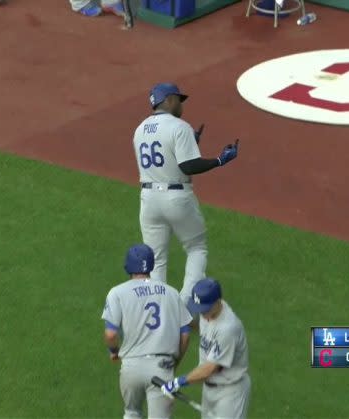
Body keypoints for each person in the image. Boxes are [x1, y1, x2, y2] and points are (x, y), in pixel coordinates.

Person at [132, 82, 240, 307]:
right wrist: (219, 160)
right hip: (176, 198)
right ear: (169, 100)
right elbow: (189, 166)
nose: (181, 105)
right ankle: (184, 304)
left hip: (148, 200)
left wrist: (191, 144)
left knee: (156, 258)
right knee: (196, 247)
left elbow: (164, 157)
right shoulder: (179, 127)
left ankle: (159, 308)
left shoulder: (139, 129)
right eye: (178, 100)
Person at [102, 244, 194, 419]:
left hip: (131, 368)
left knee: (131, 413)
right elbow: (185, 334)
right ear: (151, 265)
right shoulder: (172, 293)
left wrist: (114, 351)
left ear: (128, 266)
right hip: (162, 367)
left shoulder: (117, 293)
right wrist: (175, 363)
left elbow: (111, 334)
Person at [160, 278, 251, 419]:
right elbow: (201, 325)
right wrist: (177, 317)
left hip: (230, 392)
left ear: (217, 302)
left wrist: (178, 382)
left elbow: (210, 368)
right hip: (209, 389)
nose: (201, 313)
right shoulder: (208, 312)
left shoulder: (228, 328)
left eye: (204, 309)